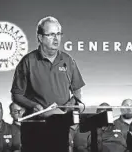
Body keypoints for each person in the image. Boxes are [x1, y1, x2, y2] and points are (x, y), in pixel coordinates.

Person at [10, 16, 85, 152]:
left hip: (60, 126)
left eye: (58, 34)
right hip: (35, 127)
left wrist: (69, 106)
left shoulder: (67, 60)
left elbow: (77, 92)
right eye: (51, 34)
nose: (56, 38)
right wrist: (34, 105)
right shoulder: (28, 61)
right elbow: (16, 95)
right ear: (40, 37)